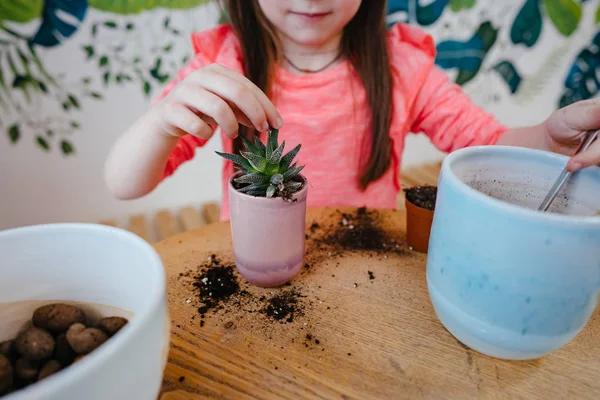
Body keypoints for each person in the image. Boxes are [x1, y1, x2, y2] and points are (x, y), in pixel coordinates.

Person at [105, 0, 600, 221]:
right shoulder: (222, 64)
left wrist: (548, 139)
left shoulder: (404, 67)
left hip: (369, 257)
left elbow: (489, 148)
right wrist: (162, 120)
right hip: (257, 265)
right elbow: (126, 183)